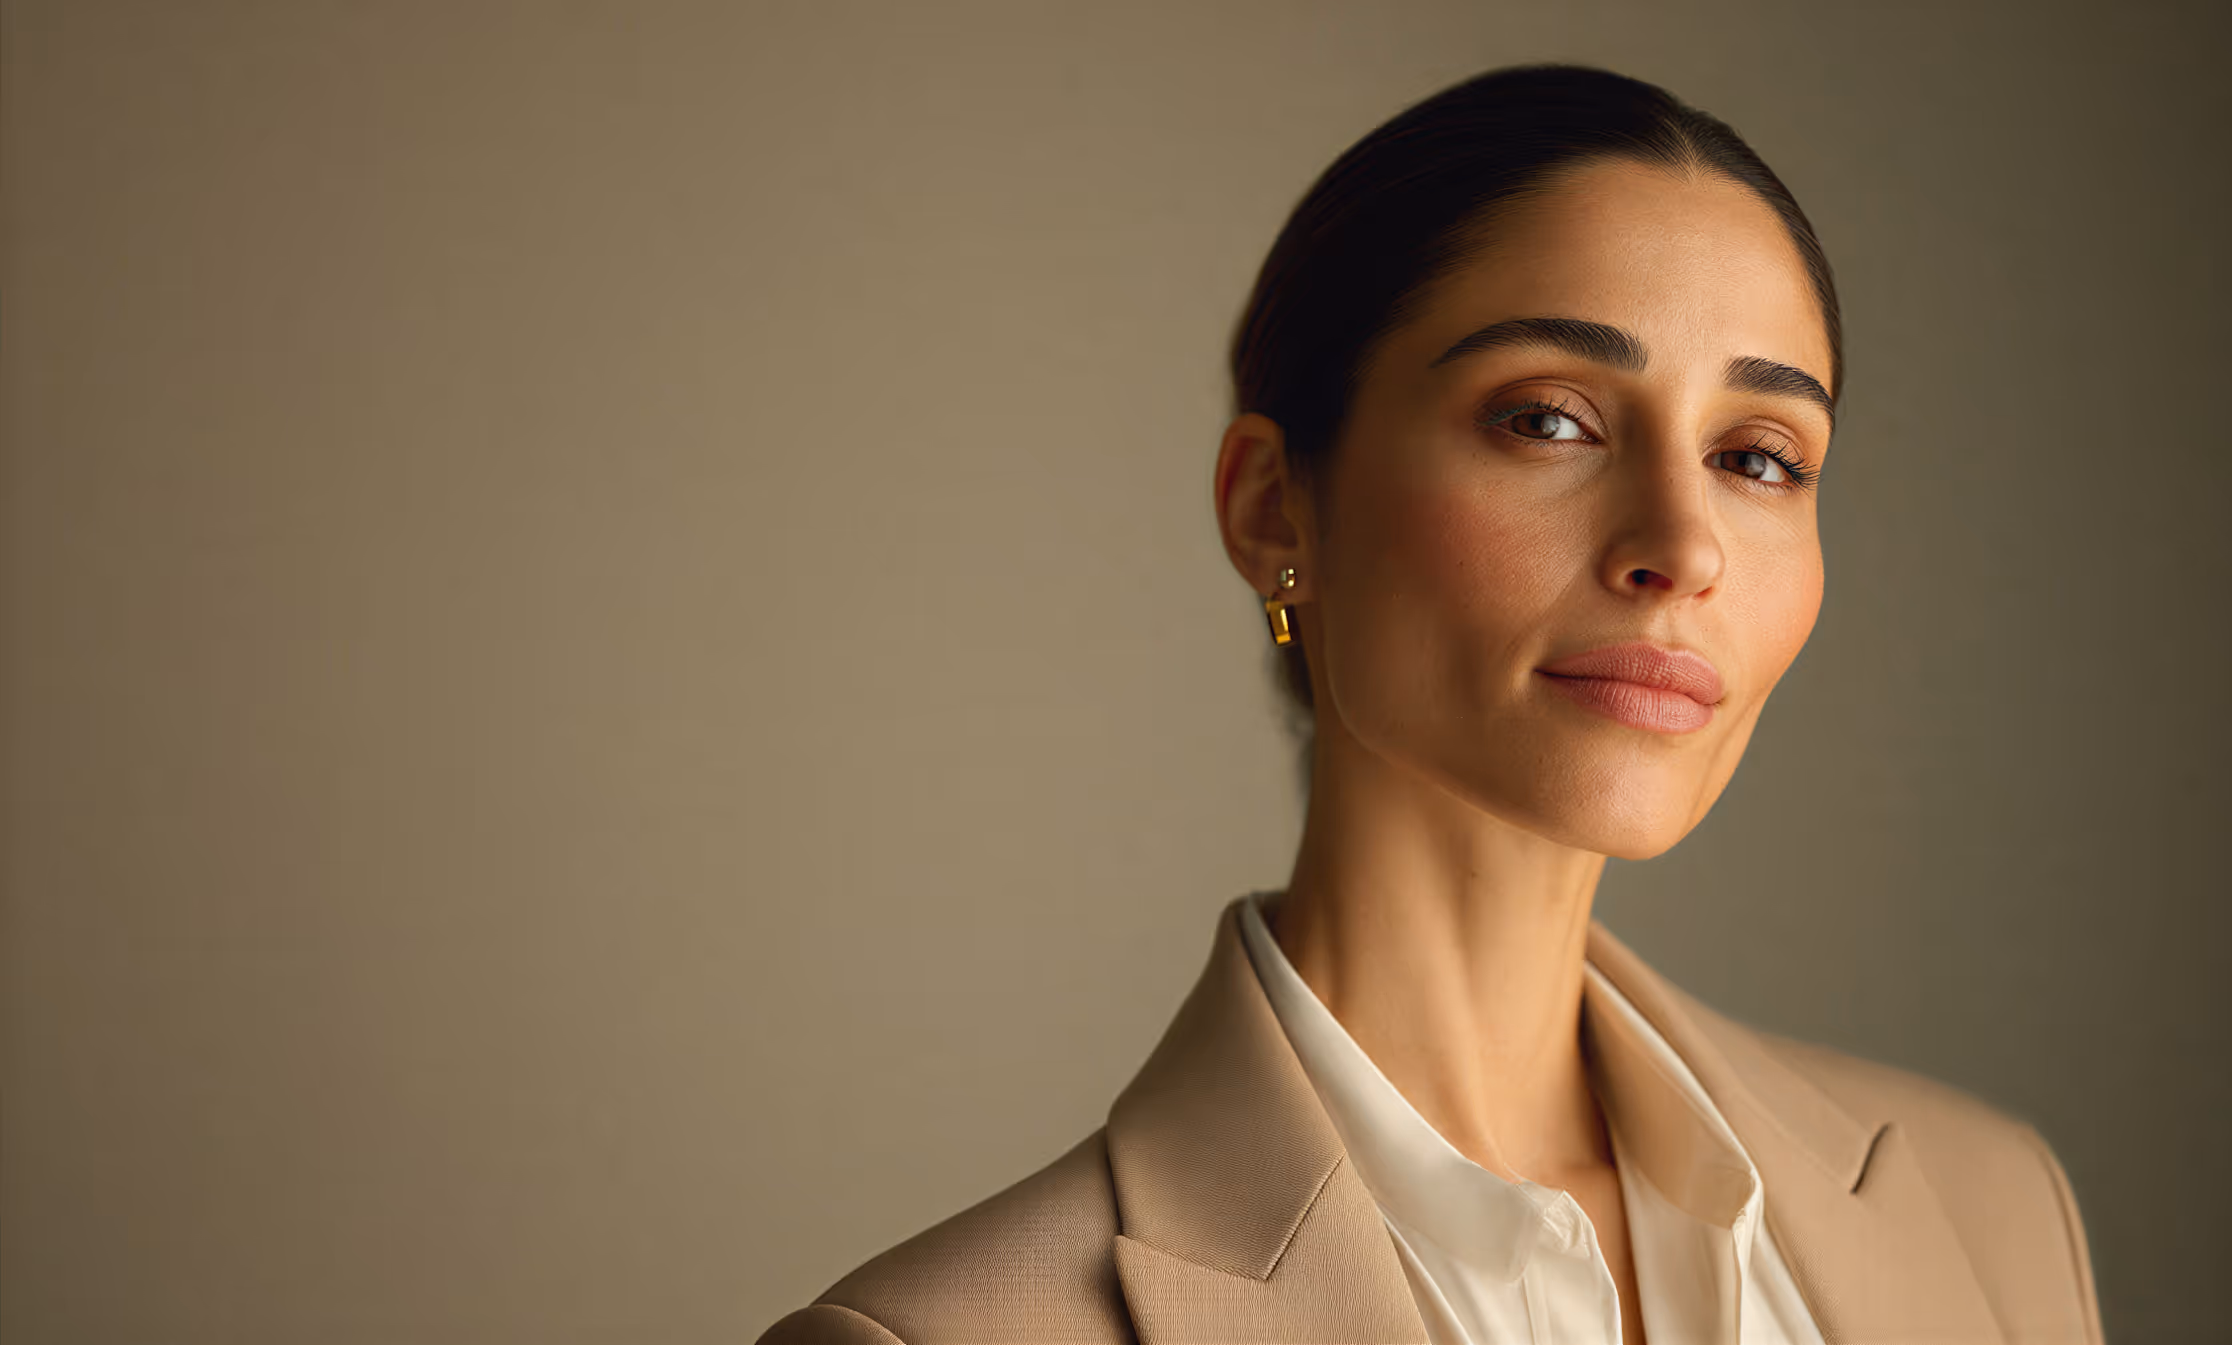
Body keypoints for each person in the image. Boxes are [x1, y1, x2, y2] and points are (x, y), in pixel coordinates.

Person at [758, 63, 2104, 1345]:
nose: (1681, 547)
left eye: (1756, 457)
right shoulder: (939, 1336)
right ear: (1271, 506)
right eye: (1549, 421)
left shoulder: (1987, 1209)